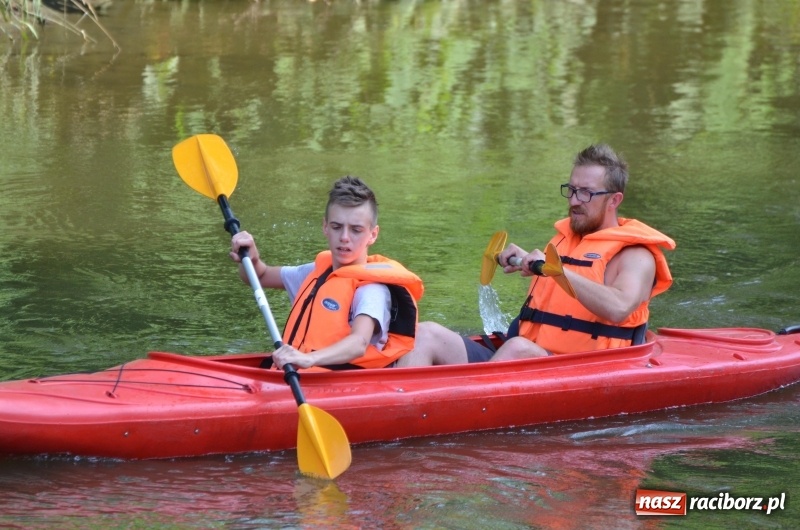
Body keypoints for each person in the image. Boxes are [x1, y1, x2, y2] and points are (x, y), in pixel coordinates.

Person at [396, 144, 675, 366]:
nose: (575, 200)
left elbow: (618, 307)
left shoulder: (636, 255)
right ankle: (400, 413)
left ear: (614, 200)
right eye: (572, 190)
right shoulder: (567, 240)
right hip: (526, 355)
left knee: (518, 348)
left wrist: (556, 271)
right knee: (425, 333)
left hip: (580, 368)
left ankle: (451, 411)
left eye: (586, 193)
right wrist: (528, 262)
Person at [229, 175, 424, 370]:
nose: (344, 237)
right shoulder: (314, 273)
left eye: (356, 230)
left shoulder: (371, 290)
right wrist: (251, 258)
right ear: (325, 227)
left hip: (341, 383)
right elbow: (259, 276)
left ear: (372, 235)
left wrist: (309, 359)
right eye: (337, 227)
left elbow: (359, 343)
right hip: (294, 374)